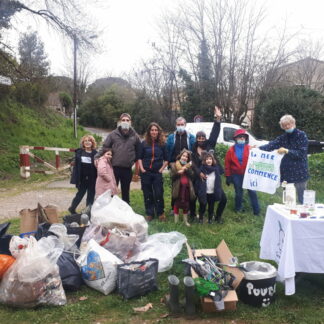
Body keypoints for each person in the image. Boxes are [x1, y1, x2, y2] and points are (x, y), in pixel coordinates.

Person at [259, 114, 309, 203]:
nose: (287, 127)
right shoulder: (283, 138)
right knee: (288, 199)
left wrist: (287, 151)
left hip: (300, 173)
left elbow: (302, 153)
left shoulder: (301, 135)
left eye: (288, 124)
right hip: (287, 174)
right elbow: (271, 145)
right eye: (284, 126)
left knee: (303, 199)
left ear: (293, 123)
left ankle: (304, 215)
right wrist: (257, 148)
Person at [100, 113, 141, 204]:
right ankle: (110, 208)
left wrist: (137, 171)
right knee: (112, 190)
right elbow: (105, 147)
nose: (125, 122)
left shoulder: (135, 136)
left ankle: (126, 210)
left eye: (127, 120)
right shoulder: (113, 134)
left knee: (126, 191)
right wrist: (108, 151)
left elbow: (139, 153)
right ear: (120, 121)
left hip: (127, 169)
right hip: (114, 168)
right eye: (123, 120)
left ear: (130, 122)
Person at [191, 106, 222, 222]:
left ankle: (213, 216)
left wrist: (217, 119)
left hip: (212, 177)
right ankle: (194, 214)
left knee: (216, 198)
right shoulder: (193, 149)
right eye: (199, 138)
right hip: (198, 177)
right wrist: (199, 173)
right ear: (196, 139)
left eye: (203, 137)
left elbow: (215, 133)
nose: (201, 139)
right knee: (194, 196)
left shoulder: (210, 145)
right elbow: (193, 164)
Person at [225, 129, 260, 215]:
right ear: (236, 138)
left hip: (248, 174)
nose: (242, 138)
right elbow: (227, 164)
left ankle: (256, 210)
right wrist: (228, 176)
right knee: (238, 192)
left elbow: (257, 160)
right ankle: (238, 209)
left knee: (252, 191)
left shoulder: (250, 148)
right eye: (240, 137)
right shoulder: (231, 150)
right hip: (236, 175)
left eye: (243, 137)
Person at [138, 122, 168, 222]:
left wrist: (161, 169)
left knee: (158, 193)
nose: (154, 132)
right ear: (149, 132)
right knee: (147, 193)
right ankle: (149, 213)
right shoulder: (144, 143)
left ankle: (160, 212)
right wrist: (142, 169)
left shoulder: (162, 144)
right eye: (152, 130)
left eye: (156, 130)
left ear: (158, 132)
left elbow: (167, 159)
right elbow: (139, 158)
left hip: (157, 173)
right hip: (146, 172)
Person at [166, 116, 195, 216]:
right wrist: (169, 164)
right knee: (175, 186)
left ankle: (189, 208)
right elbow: (168, 150)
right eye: (178, 125)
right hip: (175, 165)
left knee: (188, 185)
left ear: (185, 125)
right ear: (175, 125)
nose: (180, 126)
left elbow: (193, 151)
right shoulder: (171, 137)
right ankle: (173, 208)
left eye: (182, 124)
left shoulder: (191, 137)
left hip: (187, 165)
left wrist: (191, 164)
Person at [69, 135, 98, 214]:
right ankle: (72, 208)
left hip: (92, 178)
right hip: (82, 178)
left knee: (91, 195)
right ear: (83, 143)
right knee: (80, 194)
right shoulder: (79, 152)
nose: (87, 142)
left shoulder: (96, 153)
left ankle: (88, 212)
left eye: (89, 141)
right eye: (85, 141)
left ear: (92, 143)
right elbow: (76, 166)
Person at [196, 151, 227, 224]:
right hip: (205, 191)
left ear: (213, 160)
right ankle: (201, 218)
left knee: (211, 206)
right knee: (202, 205)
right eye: (207, 159)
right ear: (204, 161)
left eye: (210, 159)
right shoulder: (202, 169)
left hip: (212, 191)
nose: (208, 160)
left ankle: (210, 219)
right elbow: (198, 180)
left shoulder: (216, 169)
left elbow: (219, 179)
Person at [170, 149, 196, 226]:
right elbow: (172, 177)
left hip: (187, 189)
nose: (184, 158)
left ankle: (185, 221)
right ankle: (176, 221)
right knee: (177, 204)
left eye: (186, 157)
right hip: (178, 189)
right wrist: (178, 173)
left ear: (188, 159)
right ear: (180, 156)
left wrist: (186, 169)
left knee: (186, 204)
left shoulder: (189, 166)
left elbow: (192, 176)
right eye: (183, 156)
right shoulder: (174, 165)